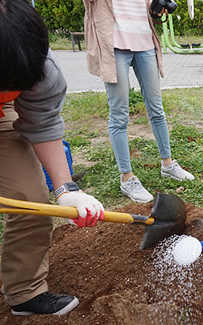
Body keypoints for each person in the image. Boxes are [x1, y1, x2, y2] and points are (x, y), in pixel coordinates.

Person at [0, 0, 106, 315]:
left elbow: (42, 123)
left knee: (31, 201)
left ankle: (24, 292)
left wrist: (66, 190)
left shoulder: (36, 66)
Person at [83, 0, 194, 204]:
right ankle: (127, 178)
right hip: (114, 46)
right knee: (119, 115)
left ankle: (167, 164)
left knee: (156, 109)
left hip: (144, 43)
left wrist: (157, 7)